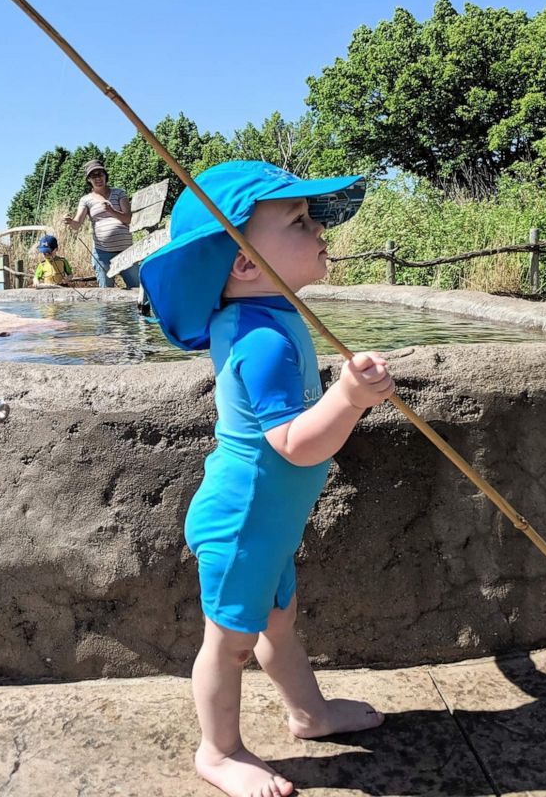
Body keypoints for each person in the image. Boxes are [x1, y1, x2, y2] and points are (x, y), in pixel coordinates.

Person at [140, 161, 395, 797]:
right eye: (300, 221)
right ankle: (218, 750)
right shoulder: (265, 341)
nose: (318, 230)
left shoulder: (268, 319)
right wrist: (350, 398)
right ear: (247, 265)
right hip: (242, 522)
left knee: (277, 624)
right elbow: (297, 446)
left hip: (265, 525)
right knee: (227, 644)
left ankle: (309, 714)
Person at [64, 159, 140, 289]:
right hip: (102, 252)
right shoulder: (86, 200)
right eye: (94, 176)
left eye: (100, 174)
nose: (98, 178)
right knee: (106, 292)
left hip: (126, 250)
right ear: (89, 179)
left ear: (105, 175)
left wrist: (112, 211)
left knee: (137, 289)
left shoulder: (119, 193)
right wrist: (70, 221)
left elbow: (128, 219)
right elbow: (77, 225)